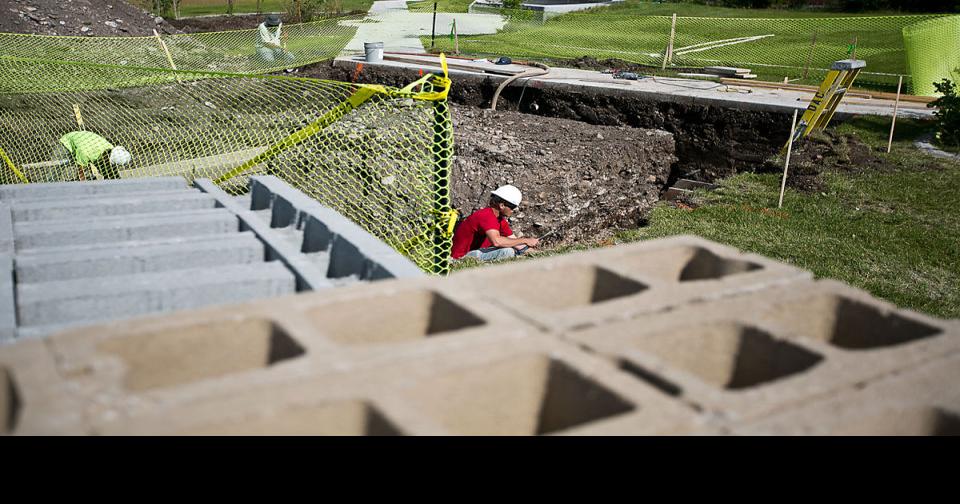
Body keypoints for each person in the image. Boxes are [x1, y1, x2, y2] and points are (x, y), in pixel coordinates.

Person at [451, 184, 539, 261]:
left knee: (510, 248)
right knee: (507, 251)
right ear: (502, 205)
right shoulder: (486, 216)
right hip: (460, 258)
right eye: (512, 207)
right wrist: (526, 240)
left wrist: (539, 255)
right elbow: (497, 242)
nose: (514, 210)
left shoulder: (499, 220)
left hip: (475, 253)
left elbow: (516, 243)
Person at [55, 131, 131, 180]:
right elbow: (81, 171)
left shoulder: (110, 148)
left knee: (108, 171)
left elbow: (111, 169)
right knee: (53, 171)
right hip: (67, 143)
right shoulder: (86, 153)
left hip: (86, 144)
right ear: (108, 157)